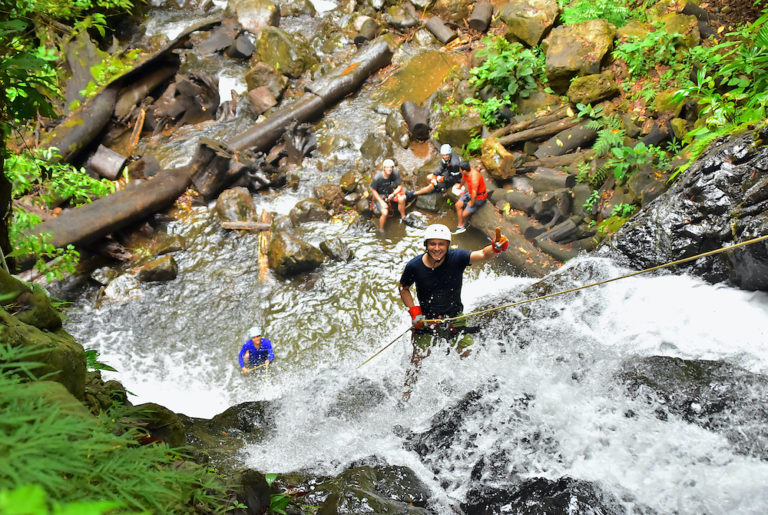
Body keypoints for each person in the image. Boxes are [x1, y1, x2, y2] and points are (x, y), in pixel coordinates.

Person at [397, 223, 509, 399]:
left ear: (448, 245)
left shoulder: (458, 258)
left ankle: (482, 390)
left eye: (441, 244)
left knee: (467, 353)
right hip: (427, 320)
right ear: (426, 245)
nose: (437, 248)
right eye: (432, 244)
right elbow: (403, 288)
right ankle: (405, 396)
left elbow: (483, 254)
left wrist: (495, 247)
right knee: (418, 358)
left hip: (455, 317)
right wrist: (414, 312)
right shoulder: (414, 266)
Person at [370, 158, 411, 231]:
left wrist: (392, 194)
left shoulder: (395, 173)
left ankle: (403, 217)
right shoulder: (377, 177)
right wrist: (381, 202)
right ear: (384, 168)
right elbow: (373, 191)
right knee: (385, 212)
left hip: (390, 193)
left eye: (391, 167)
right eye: (387, 167)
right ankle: (381, 229)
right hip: (380, 195)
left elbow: (400, 186)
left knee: (402, 198)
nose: (389, 169)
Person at [454, 161, 488, 234]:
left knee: (464, 214)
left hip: (479, 197)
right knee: (458, 205)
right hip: (470, 193)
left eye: (460, 170)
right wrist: (459, 187)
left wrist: (471, 203)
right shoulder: (466, 173)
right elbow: (463, 179)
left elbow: (474, 194)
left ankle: (465, 223)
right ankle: (460, 226)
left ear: (464, 170)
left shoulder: (474, 178)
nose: (459, 171)